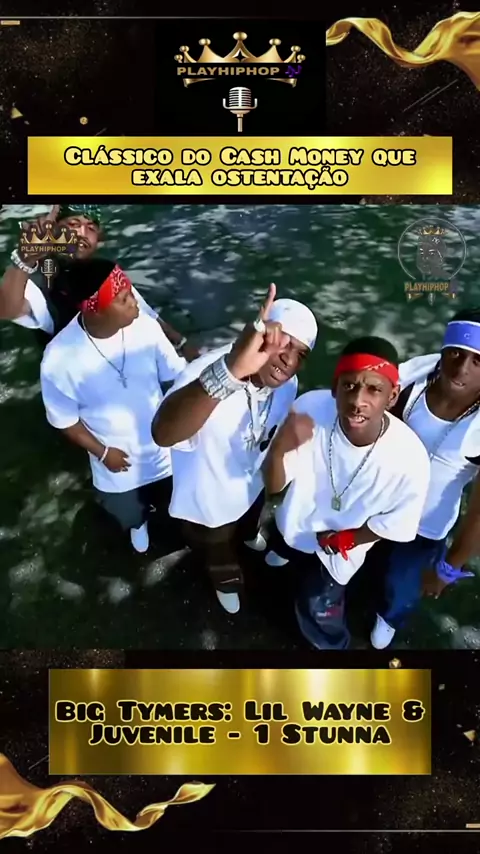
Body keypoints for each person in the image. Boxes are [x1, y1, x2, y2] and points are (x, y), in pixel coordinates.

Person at [151, 284, 318, 615]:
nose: (289, 359)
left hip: (250, 482)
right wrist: (230, 374)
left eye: (300, 353)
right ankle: (223, 577)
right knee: (218, 545)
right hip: (210, 498)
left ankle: (248, 532)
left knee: (249, 519)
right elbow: (163, 433)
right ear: (260, 335)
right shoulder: (205, 375)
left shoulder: (288, 384)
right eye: (283, 342)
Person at [262, 336, 431, 650]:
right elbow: (275, 488)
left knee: (319, 604)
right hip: (294, 524)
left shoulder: (411, 459)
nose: (357, 401)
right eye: (349, 386)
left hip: (338, 551)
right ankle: (285, 551)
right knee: (287, 553)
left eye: (374, 389)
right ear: (334, 387)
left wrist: (349, 539)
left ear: (392, 396)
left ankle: (331, 647)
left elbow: (398, 524)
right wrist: (279, 450)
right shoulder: (309, 409)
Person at [40, 258, 187, 554]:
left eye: (131, 292)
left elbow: (176, 376)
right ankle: (138, 525)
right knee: (129, 511)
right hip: (117, 464)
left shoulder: (146, 328)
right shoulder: (58, 360)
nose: (135, 302)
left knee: (173, 501)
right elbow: (65, 420)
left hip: (164, 449)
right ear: (94, 309)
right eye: (123, 299)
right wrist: (103, 453)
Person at [371, 308, 480, 649]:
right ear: (443, 350)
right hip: (375, 500)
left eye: (478, 361)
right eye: (456, 354)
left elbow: (478, 515)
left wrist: (448, 569)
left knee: (403, 585)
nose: (462, 369)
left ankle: (390, 617)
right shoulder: (413, 380)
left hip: (424, 527)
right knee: (361, 561)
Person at [0, 204, 199, 359]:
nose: (82, 234)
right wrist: (25, 260)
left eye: (91, 228)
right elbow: (8, 309)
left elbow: (144, 311)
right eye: (73, 225)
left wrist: (180, 342)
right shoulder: (40, 277)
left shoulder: (103, 269)